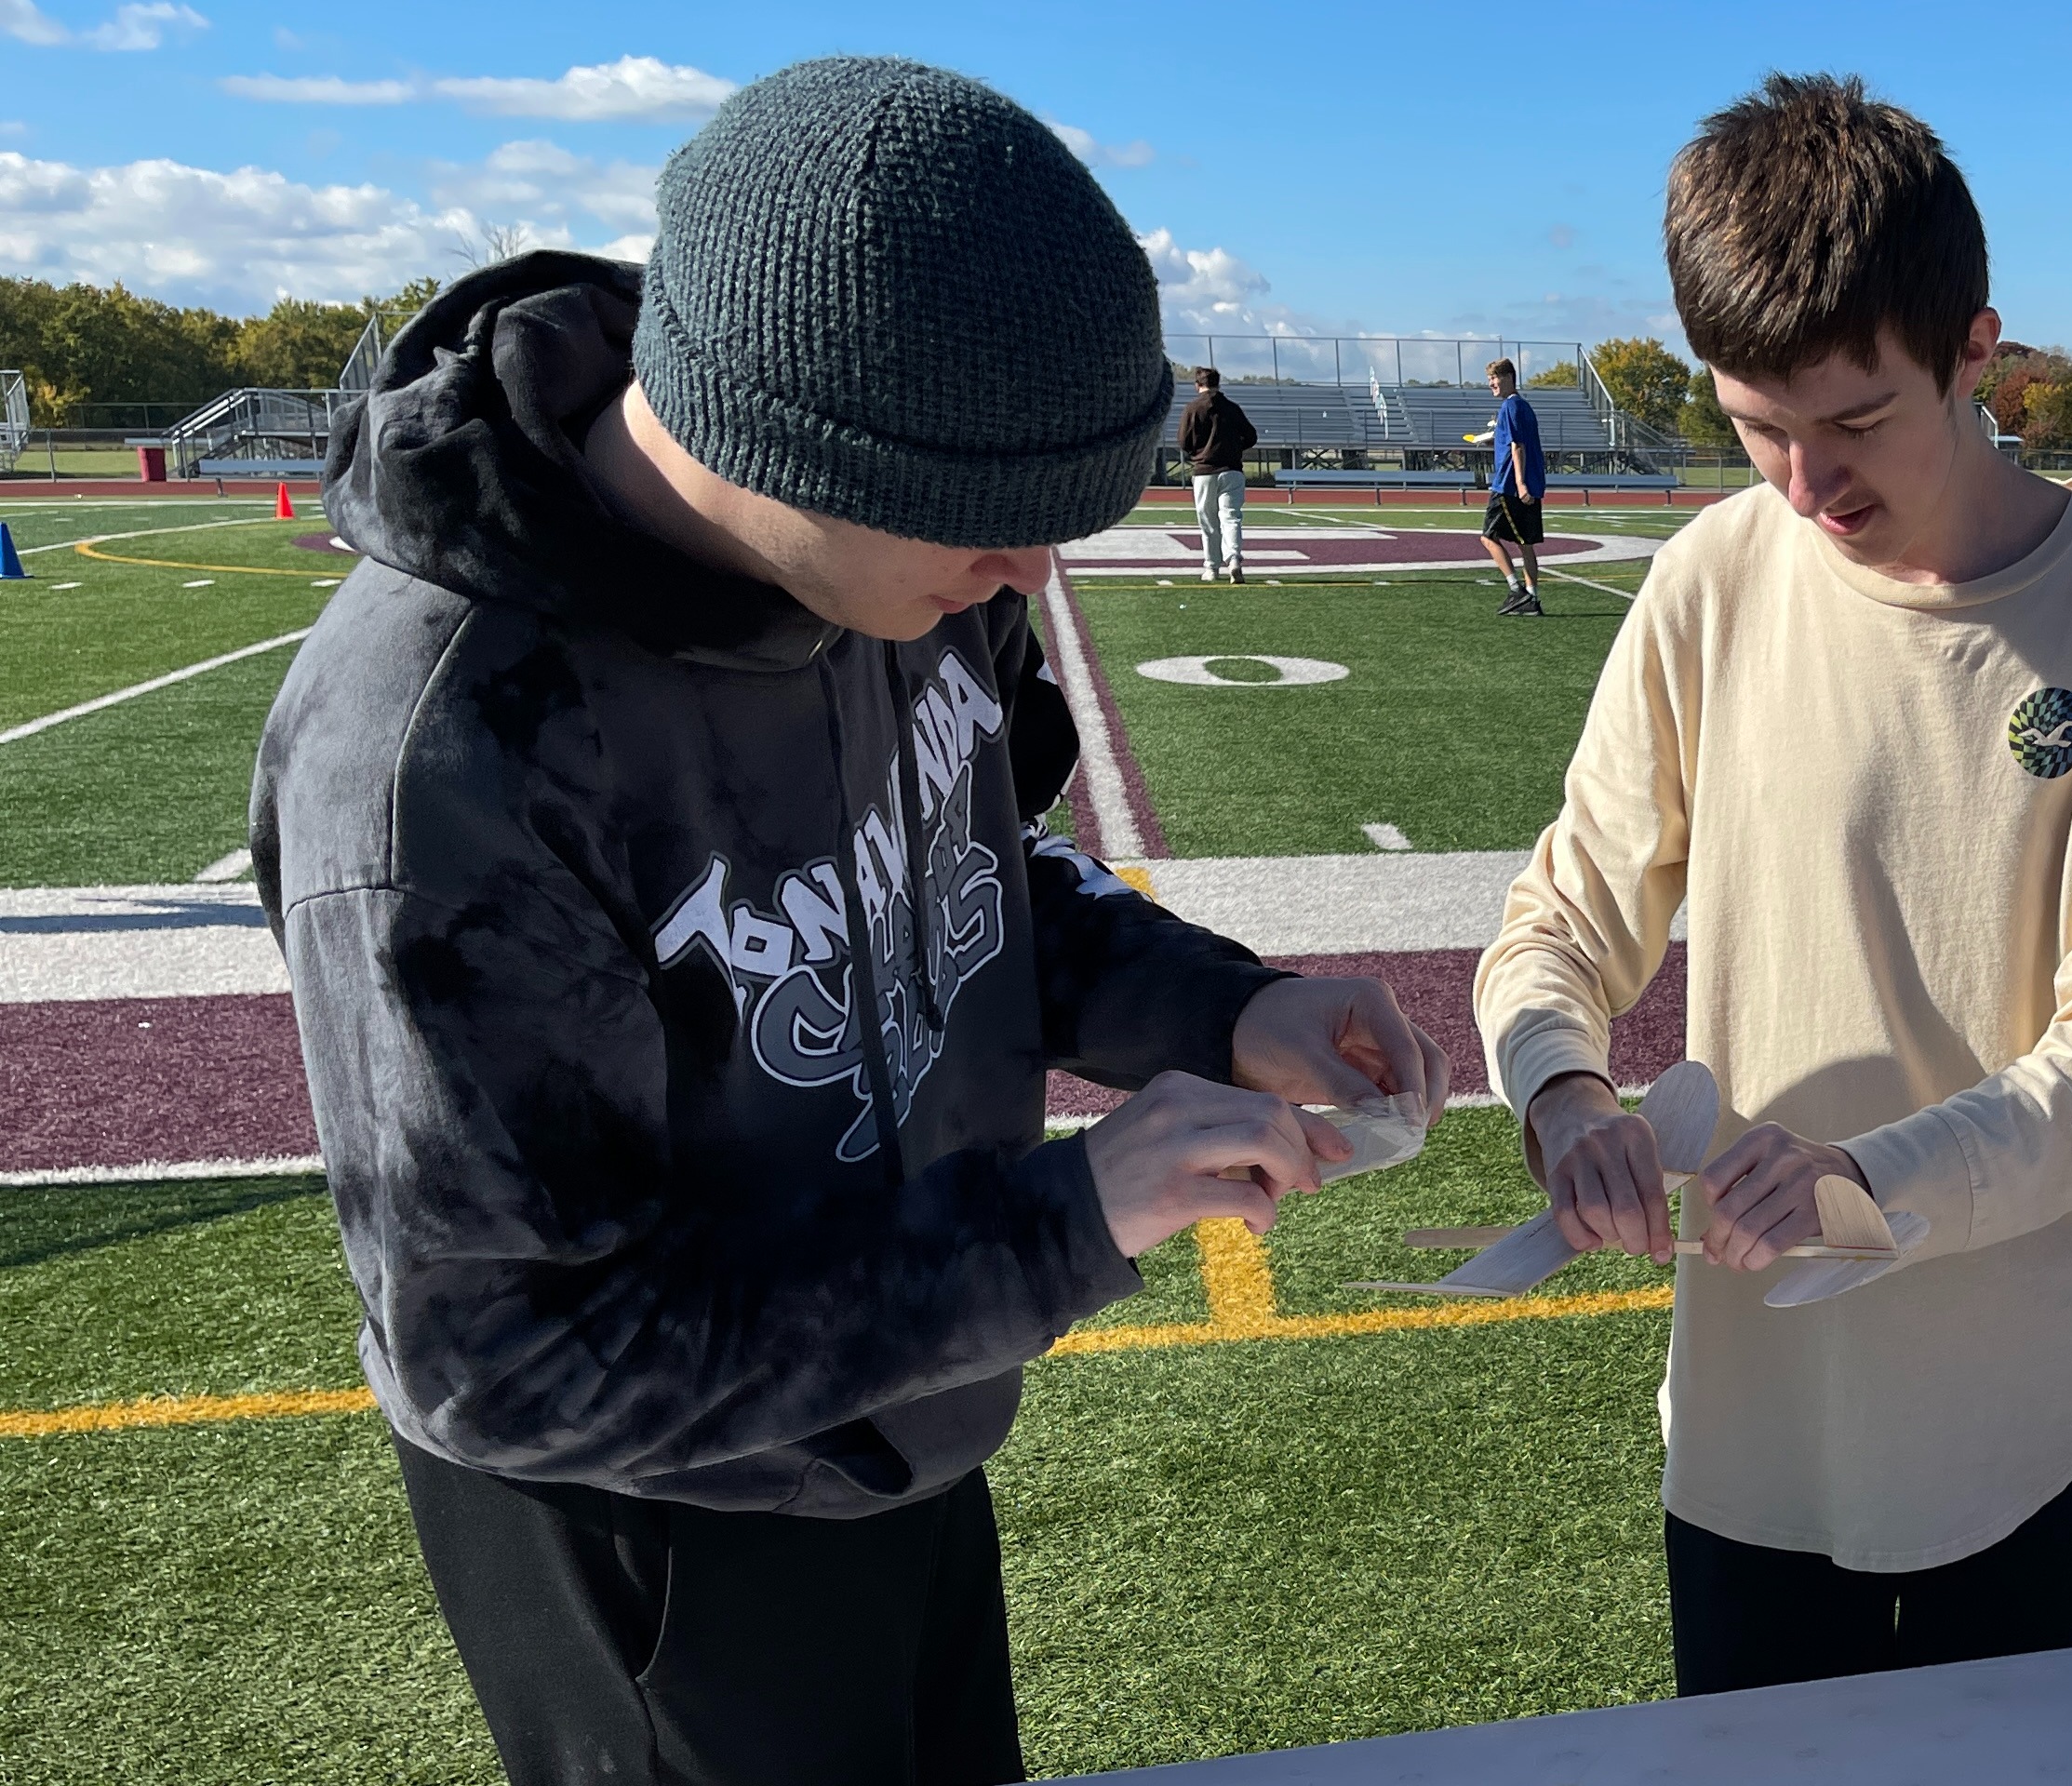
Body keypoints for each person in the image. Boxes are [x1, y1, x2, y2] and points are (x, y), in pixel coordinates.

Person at [251, 58, 1450, 1786]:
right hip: (667, 1531)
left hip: (904, 1426)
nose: (1032, 575)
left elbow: (970, 873)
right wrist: (1055, 1227)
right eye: (994, 524)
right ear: (786, 435)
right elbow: (509, 1361)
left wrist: (1218, 1008)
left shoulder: (897, 551)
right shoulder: (442, 747)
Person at [1476, 73, 2072, 1695]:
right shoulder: (1710, 581)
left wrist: (1877, 1180)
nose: (1804, 486)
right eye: (1755, 426)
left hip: (2028, 1391)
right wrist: (1559, 1091)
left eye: (1851, 421)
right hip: (1759, 1407)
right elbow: (1566, 911)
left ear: (1975, 349)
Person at [1478, 355, 1547, 616]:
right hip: (1530, 483)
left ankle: (1515, 589)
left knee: (1488, 537)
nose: (1491, 384)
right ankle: (1532, 599)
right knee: (1525, 544)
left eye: (1494, 378)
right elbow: (1513, 442)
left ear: (1509, 378)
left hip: (1509, 485)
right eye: (1489, 379)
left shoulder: (1510, 407)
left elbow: (1518, 446)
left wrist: (1519, 483)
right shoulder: (1524, 407)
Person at [1181, 365, 1258, 581]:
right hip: (1232, 469)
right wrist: (1234, 449)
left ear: (1198, 385)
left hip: (1204, 471)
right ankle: (1233, 558)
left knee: (1208, 522)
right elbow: (1251, 436)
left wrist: (1199, 453)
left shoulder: (1192, 409)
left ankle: (1212, 568)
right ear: (1217, 383)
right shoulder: (1232, 408)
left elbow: (1183, 441)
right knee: (1231, 517)